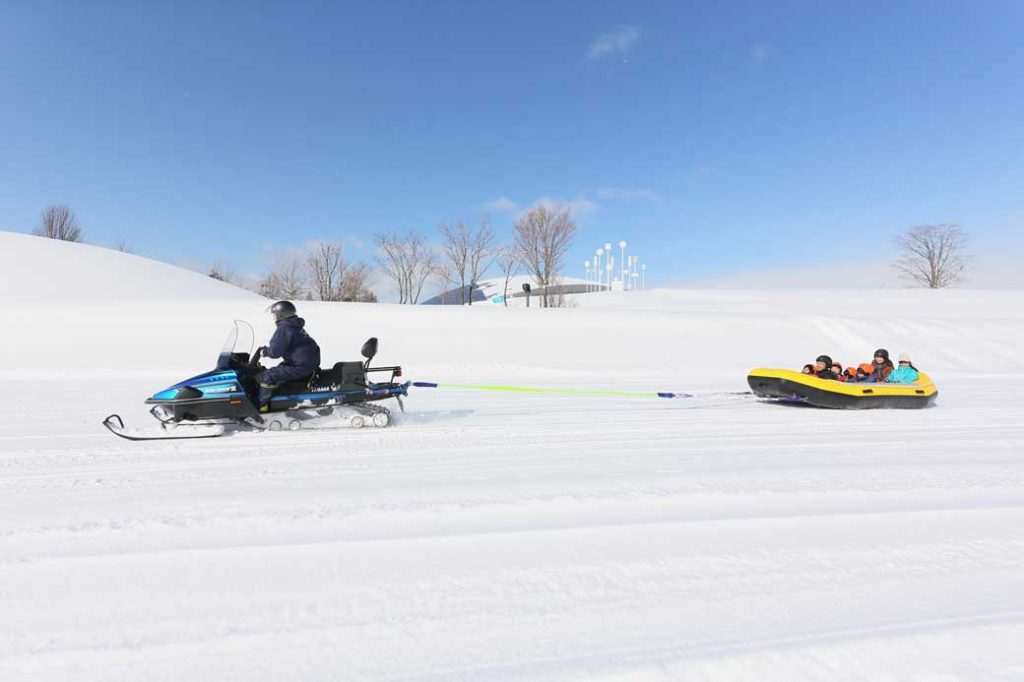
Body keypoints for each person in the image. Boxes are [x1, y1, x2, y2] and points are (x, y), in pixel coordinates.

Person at [256, 301, 321, 411]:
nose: (274, 318)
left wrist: (265, 352)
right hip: (305, 364)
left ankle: (261, 409)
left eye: (275, 315)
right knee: (277, 371)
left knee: (266, 376)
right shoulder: (294, 325)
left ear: (281, 314)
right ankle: (279, 402)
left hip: (299, 366)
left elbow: (275, 352)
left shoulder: (285, 328)